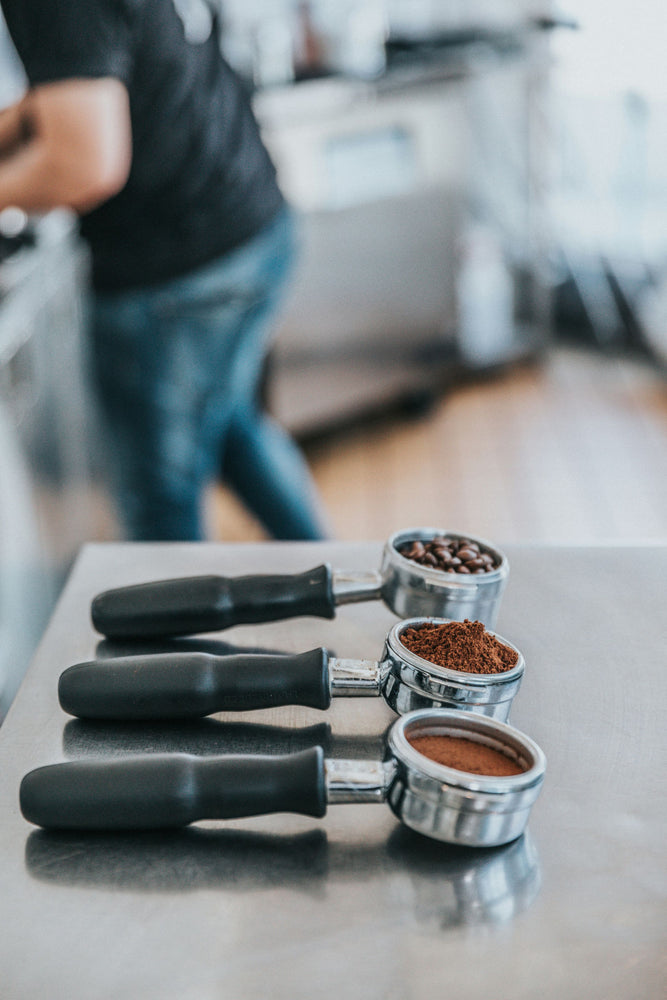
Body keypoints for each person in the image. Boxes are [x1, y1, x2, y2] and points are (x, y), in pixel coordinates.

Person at [0, 0, 330, 541]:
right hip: (249, 219)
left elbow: (84, 164)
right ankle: (341, 584)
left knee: (161, 501)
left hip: (178, 278)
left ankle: (182, 624)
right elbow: (79, 78)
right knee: (231, 428)